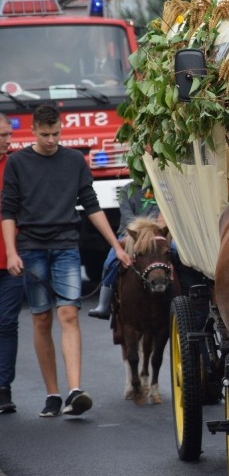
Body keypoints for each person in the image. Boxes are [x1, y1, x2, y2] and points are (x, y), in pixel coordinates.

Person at [1, 104, 131, 418]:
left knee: (69, 315)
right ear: (32, 130)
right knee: (41, 319)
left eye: (56, 134)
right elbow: (7, 211)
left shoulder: (74, 160)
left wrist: (117, 246)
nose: (51, 140)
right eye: (45, 135)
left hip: (66, 247)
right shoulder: (18, 163)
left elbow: (91, 205)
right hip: (31, 248)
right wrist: (12, 252)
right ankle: (52, 394)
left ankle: (74, 390)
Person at [88, 183, 162, 319]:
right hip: (128, 234)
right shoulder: (125, 190)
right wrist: (137, 232)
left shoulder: (156, 189)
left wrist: (146, 232)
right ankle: (103, 305)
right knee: (110, 261)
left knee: (173, 253)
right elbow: (127, 216)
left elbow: (155, 213)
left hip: (152, 233)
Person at [0, 114, 24, 414]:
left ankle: (3, 388)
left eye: (9, 134)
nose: (8, 140)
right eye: (3, 135)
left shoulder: (18, 165)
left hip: (12, 260)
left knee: (6, 323)